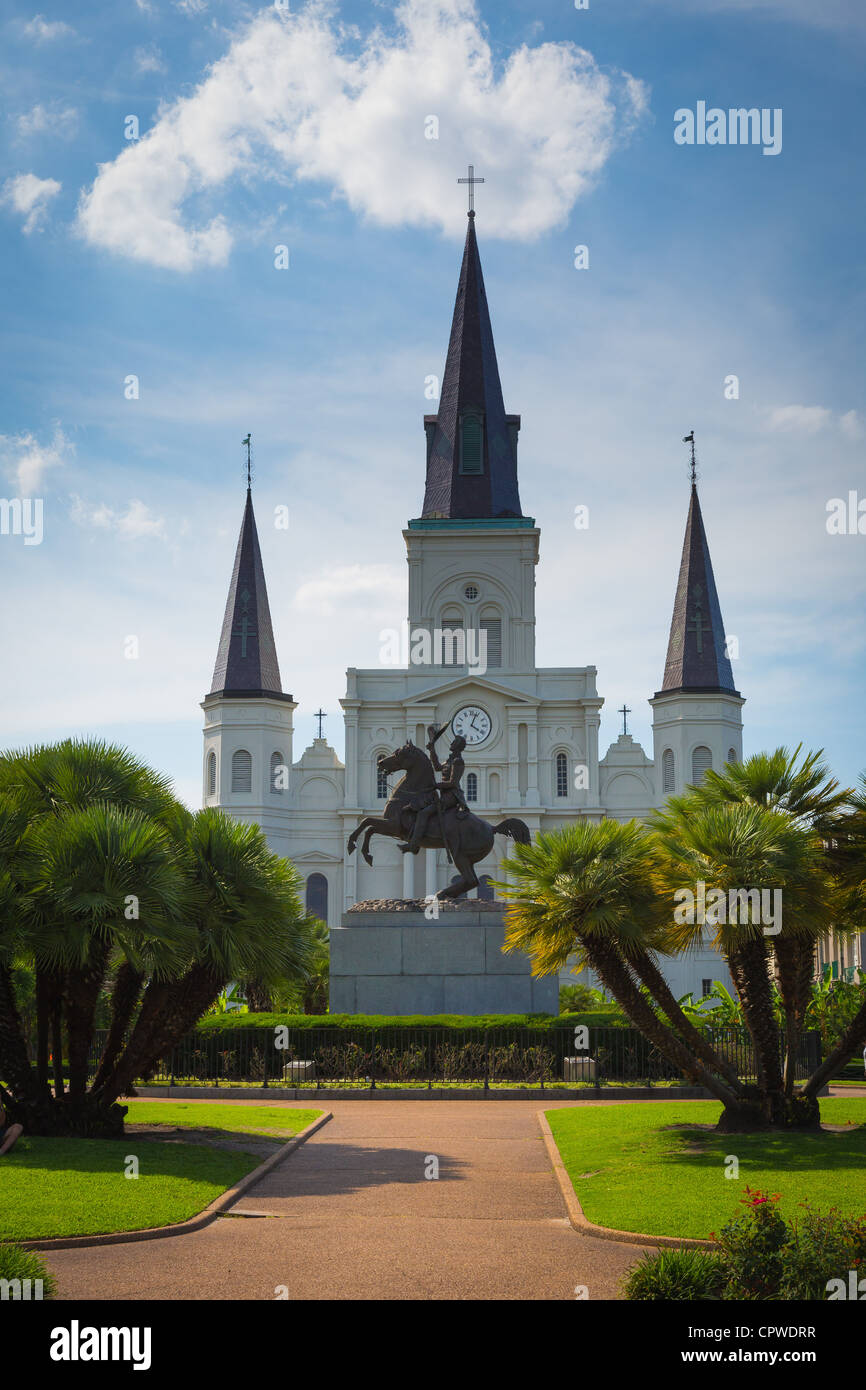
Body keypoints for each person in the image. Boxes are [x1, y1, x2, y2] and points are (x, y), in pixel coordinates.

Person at [400, 725, 470, 855]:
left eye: (454, 742)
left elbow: (453, 783)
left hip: (452, 796)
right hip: (443, 794)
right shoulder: (450, 760)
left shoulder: (458, 761)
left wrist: (436, 785)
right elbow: (437, 766)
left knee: (424, 813)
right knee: (416, 806)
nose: (452, 743)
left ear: (458, 746)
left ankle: (413, 845)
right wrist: (432, 750)